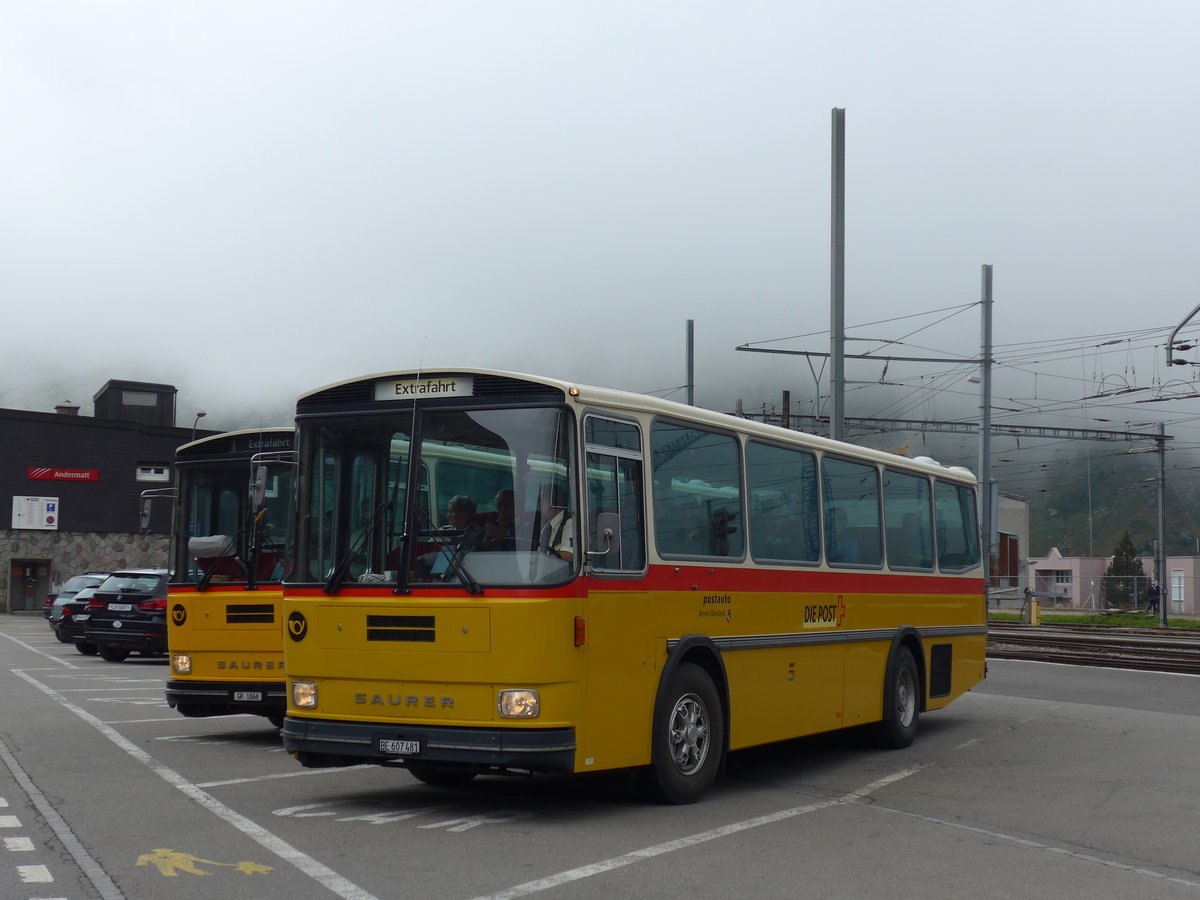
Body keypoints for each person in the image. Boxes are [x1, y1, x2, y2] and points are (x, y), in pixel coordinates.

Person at [536, 484, 574, 563]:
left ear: (552, 503)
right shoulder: (546, 528)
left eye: (542, 500)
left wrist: (545, 562)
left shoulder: (570, 524)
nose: (540, 504)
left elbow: (569, 555)